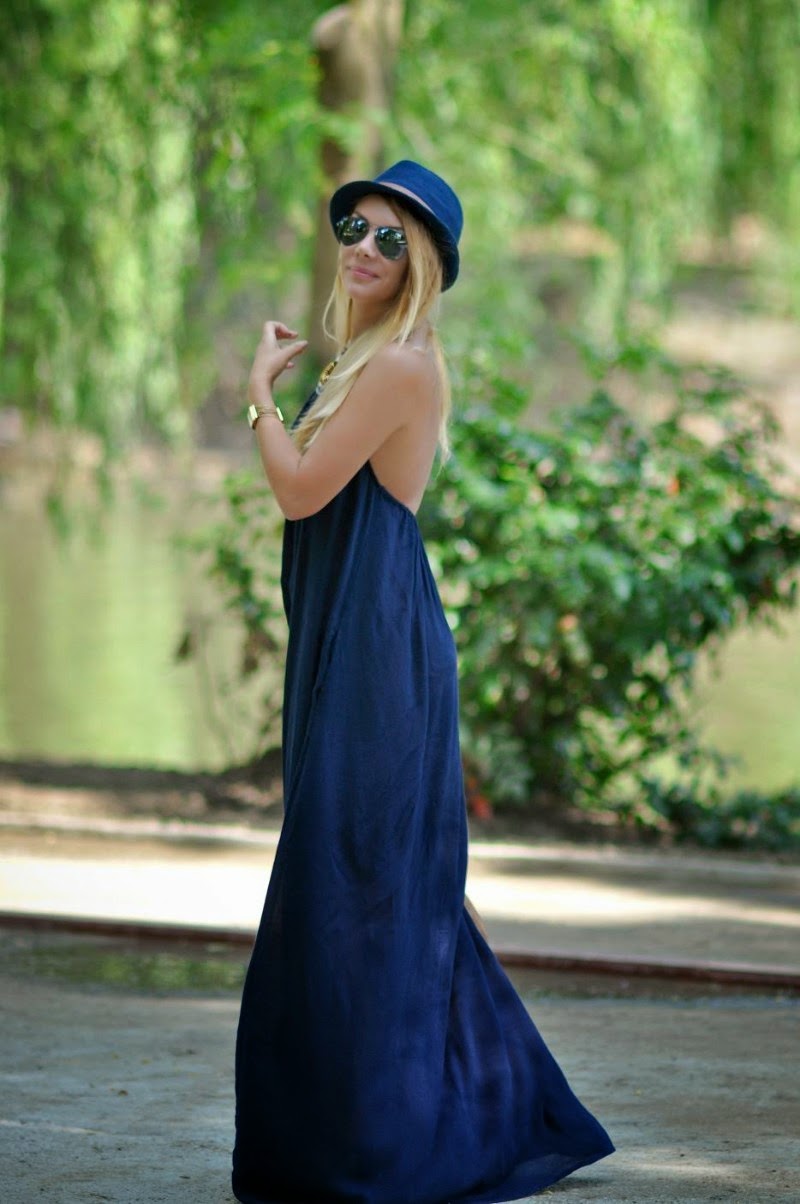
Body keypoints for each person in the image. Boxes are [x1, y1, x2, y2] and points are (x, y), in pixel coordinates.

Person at [232, 160, 614, 1204]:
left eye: (388, 238)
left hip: (375, 644)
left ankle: (376, 1140)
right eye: (353, 226)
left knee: (351, 884)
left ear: (425, 264)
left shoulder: (399, 364)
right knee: (364, 883)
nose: (361, 245)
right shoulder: (360, 358)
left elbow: (302, 495)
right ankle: (403, 1119)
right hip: (342, 634)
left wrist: (256, 395)